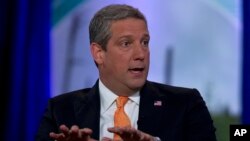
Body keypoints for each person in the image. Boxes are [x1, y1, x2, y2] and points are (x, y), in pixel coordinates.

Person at [36, 4, 217, 141]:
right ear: (99, 53)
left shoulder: (185, 104)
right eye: (126, 43)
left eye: (144, 42)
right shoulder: (60, 110)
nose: (141, 54)